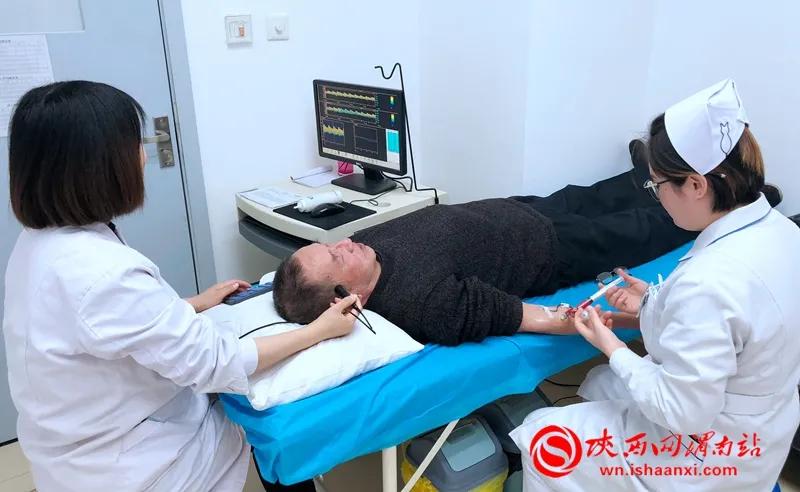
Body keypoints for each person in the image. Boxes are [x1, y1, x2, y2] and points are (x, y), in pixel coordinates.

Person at [2, 81, 359, 492]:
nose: (143, 155)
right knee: (274, 412)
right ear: (97, 166)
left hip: (74, 448)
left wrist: (192, 304)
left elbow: (103, 326)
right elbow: (217, 364)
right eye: (135, 143)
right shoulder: (102, 272)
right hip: (134, 466)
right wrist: (319, 331)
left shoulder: (38, 243)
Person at [511, 79, 800, 491]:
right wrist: (652, 301)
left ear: (696, 185)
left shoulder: (710, 281)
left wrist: (609, 344)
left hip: (711, 454)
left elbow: (682, 413)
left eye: (657, 185)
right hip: (766, 428)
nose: (657, 196)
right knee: (599, 383)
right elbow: (737, 327)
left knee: (542, 438)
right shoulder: (783, 232)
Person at [272, 148, 706, 345]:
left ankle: (645, 179)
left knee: (593, 195)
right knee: (641, 228)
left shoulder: (363, 252)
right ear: (345, 300)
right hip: (553, 251)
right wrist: (594, 321)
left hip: (519, 211)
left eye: (332, 244)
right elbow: (525, 317)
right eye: (336, 256)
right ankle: (713, 207)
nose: (345, 242)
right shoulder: (423, 304)